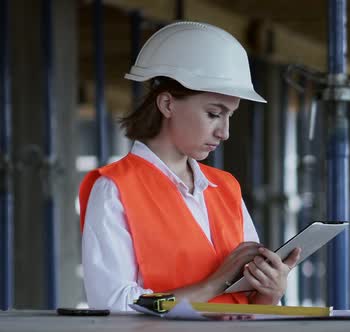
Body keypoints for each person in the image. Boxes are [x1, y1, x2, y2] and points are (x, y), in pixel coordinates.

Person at [79, 21, 301, 311]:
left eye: (229, 115)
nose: (225, 132)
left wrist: (270, 292)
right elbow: (114, 306)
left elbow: (246, 303)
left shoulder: (226, 187)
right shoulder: (115, 189)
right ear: (168, 104)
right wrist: (215, 283)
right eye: (213, 114)